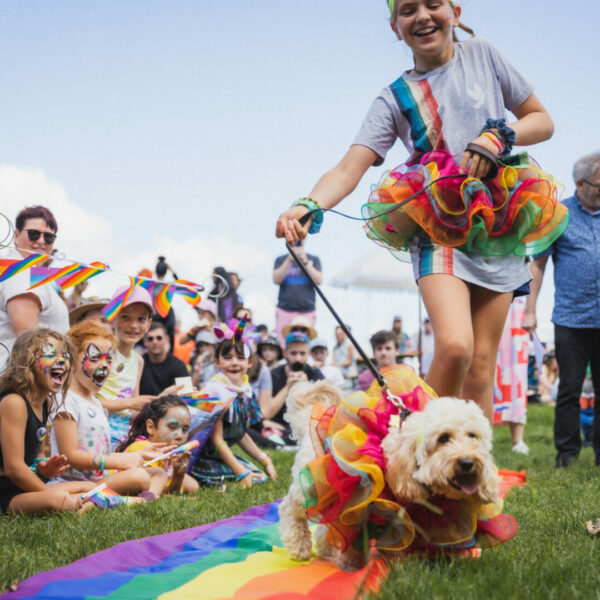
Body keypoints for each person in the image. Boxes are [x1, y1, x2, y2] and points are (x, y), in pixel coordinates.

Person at [276, 0, 567, 423]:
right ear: (395, 27)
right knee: (454, 347)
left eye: (434, 4)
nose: (423, 16)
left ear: (456, 11)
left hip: (500, 216)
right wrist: (308, 203)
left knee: (482, 365)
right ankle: (414, 452)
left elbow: (541, 120)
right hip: (436, 221)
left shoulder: (483, 53)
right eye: (409, 10)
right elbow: (348, 166)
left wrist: (499, 135)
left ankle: (470, 479)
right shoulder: (395, 97)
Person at [523, 151, 600, 467]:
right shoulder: (559, 214)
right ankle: (566, 454)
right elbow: (538, 264)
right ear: (580, 183)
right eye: (598, 184)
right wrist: (530, 309)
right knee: (568, 389)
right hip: (570, 319)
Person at [51, 321, 169, 500]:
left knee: (157, 473)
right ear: (72, 358)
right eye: (95, 358)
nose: (104, 365)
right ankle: (127, 500)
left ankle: (132, 500)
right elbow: (69, 455)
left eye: (109, 358)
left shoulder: (95, 403)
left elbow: (100, 453)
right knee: (139, 477)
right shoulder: (66, 401)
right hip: (74, 483)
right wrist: (117, 461)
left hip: (101, 480)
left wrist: (136, 455)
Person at [0, 329, 92, 514]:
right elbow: (14, 468)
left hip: (21, 489)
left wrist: (43, 469)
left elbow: (30, 461)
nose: (61, 362)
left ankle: (83, 505)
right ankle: (82, 506)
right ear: (26, 361)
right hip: (5, 494)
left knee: (88, 486)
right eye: (51, 355)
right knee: (59, 499)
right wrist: (49, 492)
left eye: (65, 356)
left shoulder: (45, 402)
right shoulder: (14, 402)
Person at [188, 328, 277, 487]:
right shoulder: (216, 391)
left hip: (217, 456)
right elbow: (216, 439)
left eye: (241, 358)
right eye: (227, 358)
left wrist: (264, 459)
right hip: (198, 457)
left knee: (258, 475)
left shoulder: (244, 391)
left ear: (250, 362)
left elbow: (240, 434)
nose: (234, 362)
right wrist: (240, 471)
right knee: (255, 476)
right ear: (217, 362)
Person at [0, 206, 69, 371]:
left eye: (49, 237)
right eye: (34, 234)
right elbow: (28, 341)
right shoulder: (22, 273)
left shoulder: (30, 272)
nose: (41, 241)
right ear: (16, 235)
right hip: (22, 380)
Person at [96, 286, 156, 449]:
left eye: (141, 319)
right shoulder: (102, 351)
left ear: (148, 324)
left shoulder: (138, 361)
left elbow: (133, 412)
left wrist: (158, 401)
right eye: (125, 317)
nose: (133, 325)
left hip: (123, 436)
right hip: (96, 434)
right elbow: (84, 402)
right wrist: (130, 403)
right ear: (112, 318)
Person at [117, 396, 199, 494]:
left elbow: (168, 495)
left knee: (193, 486)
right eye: (172, 427)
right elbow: (149, 494)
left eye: (185, 429)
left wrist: (178, 475)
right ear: (151, 427)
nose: (180, 436)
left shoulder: (169, 457)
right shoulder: (142, 448)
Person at [262, 331, 324, 443]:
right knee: (258, 425)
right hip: (278, 426)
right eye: (293, 353)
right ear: (285, 353)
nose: (298, 359)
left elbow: (323, 413)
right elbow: (266, 414)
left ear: (308, 354)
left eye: (302, 353)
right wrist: (288, 386)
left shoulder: (316, 374)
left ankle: (282, 442)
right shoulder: (273, 375)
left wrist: (307, 387)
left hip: (305, 426)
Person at [493, 298, 529, 454]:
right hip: (488, 297)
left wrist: (531, 311)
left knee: (517, 376)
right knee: (487, 373)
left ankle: (517, 440)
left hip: (514, 307)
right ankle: (480, 438)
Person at [273, 239, 322, 345]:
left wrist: (304, 261)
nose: (297, 240)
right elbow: (276, 279)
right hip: (284, 310)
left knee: (305, 344)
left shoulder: (313, 259)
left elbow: (318, 280)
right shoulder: (281, 259)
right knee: (283, 344)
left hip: (307, 311)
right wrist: (289, 260)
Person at [139, 323, 189, 396]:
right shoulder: (137, 365)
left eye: (159, 338)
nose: (155, 342)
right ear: (145, 342)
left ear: (167, 339)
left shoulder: (179, 366)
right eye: (150, 339)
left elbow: (186, 396)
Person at [332, 326, 358, 390]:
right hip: (339, 377)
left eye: (340, 333)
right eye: (336, 334)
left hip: (350, 377)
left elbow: (349, 362)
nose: (338, 336)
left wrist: (336, 366)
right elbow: (333, 361)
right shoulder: (335, 347)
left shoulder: (349, 344)